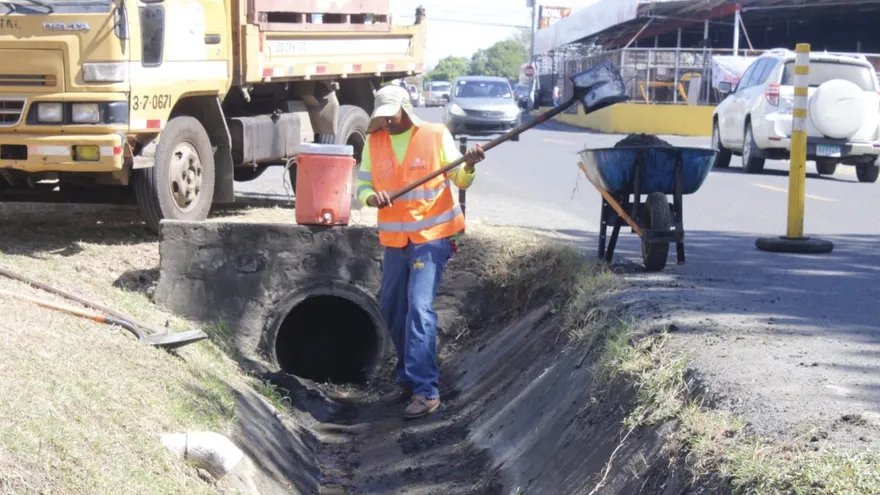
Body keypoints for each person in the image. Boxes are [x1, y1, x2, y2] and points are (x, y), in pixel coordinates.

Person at [355, 85, 485, 419]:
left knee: (419, 307)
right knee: (392, 307)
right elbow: (363, 186)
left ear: (406, 109)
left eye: (391, 115)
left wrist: (468, 165)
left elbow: (460, 178)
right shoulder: (375, 141)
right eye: (381, 117)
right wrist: (371, 198)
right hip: (395, 240)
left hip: (431, 236)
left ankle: (426, 390)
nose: (386, 122)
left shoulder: (434, 134)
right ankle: (407, 379)